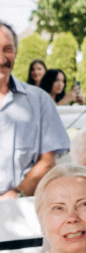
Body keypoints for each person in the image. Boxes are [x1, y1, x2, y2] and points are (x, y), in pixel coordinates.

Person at [0, 20, 70, 200]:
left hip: (21, 207)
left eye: (7, 49)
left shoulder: (39, 100)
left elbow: (47, 162)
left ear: (15, 53)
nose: (1, 59)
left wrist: (17, 193)